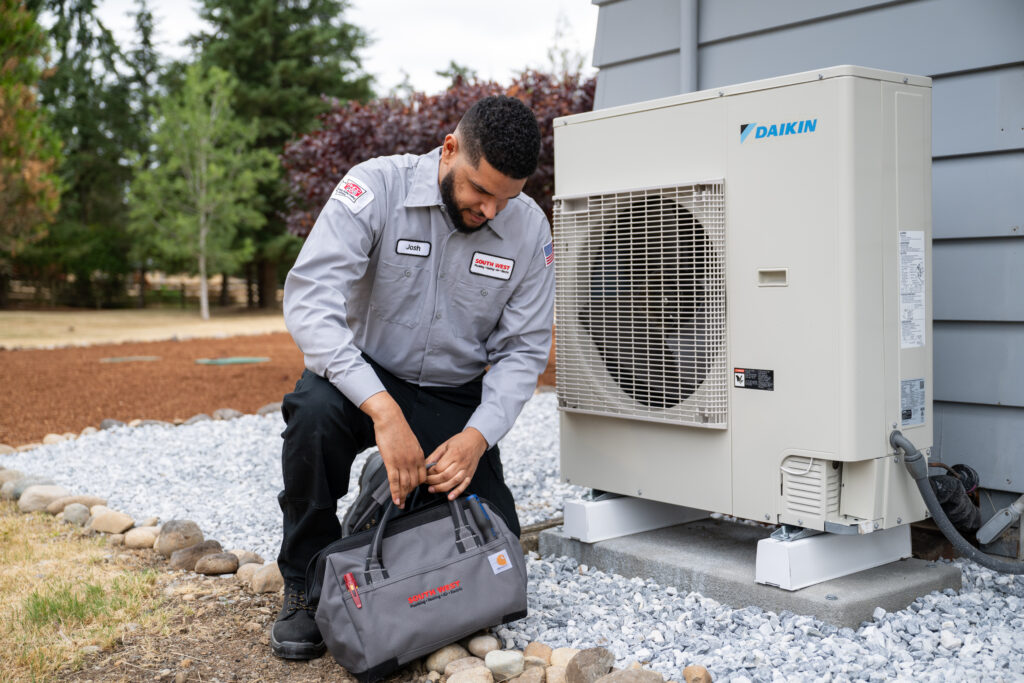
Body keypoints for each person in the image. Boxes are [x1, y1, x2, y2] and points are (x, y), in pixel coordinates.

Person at [271, 95, 556, 660]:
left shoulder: (529, 230)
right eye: (480, 190)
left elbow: (523, 352)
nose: (492, 211)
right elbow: (310, 302)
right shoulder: (376, 188)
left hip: (453, 396)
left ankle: (382, 502)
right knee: (312, 416)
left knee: (495, 547)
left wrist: (477, 438)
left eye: (508, 197)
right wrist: (382, 411)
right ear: (449, 150)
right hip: (363, 378)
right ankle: (306, 581)